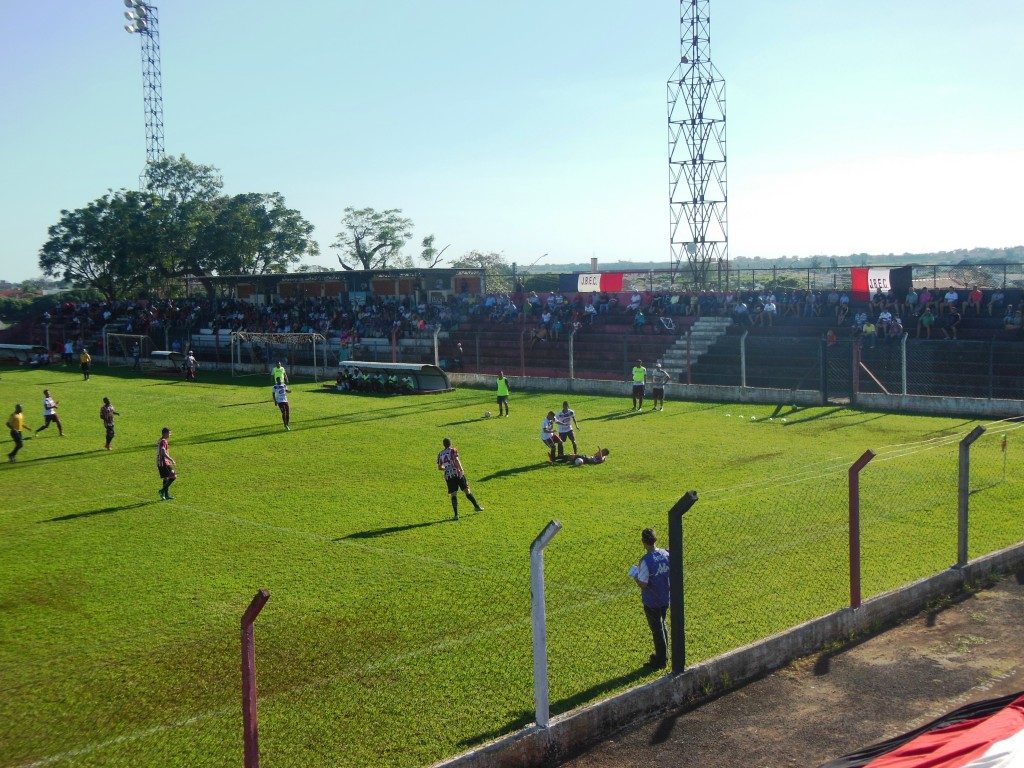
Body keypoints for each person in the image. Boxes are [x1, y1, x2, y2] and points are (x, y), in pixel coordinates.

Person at [631, 527, 670, 669]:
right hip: (665, 596)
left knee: (657, 629)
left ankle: (661, 660)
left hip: (652, 601)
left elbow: (643, 584)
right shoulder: (666, 554)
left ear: (643, 542)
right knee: (663, 624)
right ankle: (664, 654)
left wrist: (635, 574)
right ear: (655, 539)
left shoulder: (645, 561)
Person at [436, 437, 483, 520]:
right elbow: (457, 460)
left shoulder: (440, 454)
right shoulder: (453, 450)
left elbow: (439, 467)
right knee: (466, 490)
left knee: (453, 494)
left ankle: (456, 515)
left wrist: (446, 468)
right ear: (450, 443)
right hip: (457, 473)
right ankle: (477, 507)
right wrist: (461, 469)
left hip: (448, 476)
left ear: (443, 445)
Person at [156, 427, 177, 500]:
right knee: (173, 476)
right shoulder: (163, 441)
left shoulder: (161, 440)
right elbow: (163, 452)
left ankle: (166, 495)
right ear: (165, 433)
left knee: (166, 478)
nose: (170, 434)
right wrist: (171, 459)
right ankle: (162, 491)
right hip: (163, 462)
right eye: (169, 433)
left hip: (161, 462)